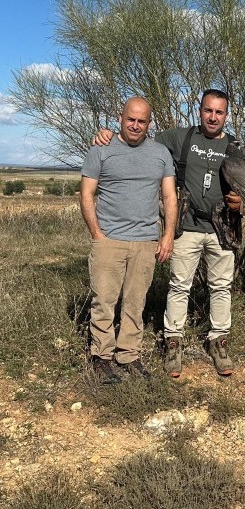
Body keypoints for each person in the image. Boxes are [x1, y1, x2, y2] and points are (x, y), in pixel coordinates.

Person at [93, 89, 241, 378]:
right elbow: (137, 140)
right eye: (208, 111)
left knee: (221, 287)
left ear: (226, 115)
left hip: (223, 229)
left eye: (219, 112)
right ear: (200, 111)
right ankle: (174, 342)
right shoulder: (179, 138)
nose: (213, 117)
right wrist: (108, 135)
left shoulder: (235, 147)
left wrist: (241, 203)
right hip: (187, 227)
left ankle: (219, 341)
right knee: (179, 286)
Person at [80, 97, 177, 384]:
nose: (135, 125)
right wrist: (97, 235)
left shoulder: (160, 153)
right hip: (109, 239)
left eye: (142, 121)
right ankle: (102, 357)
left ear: (150, 123)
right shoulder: (101, 148)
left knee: (136, 303)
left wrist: (167, 235)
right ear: (120, 117)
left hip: (145, 241)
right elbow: (86, 194)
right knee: (104, 301)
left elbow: (170, 196)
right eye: (130, 119)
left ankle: (129, 355)